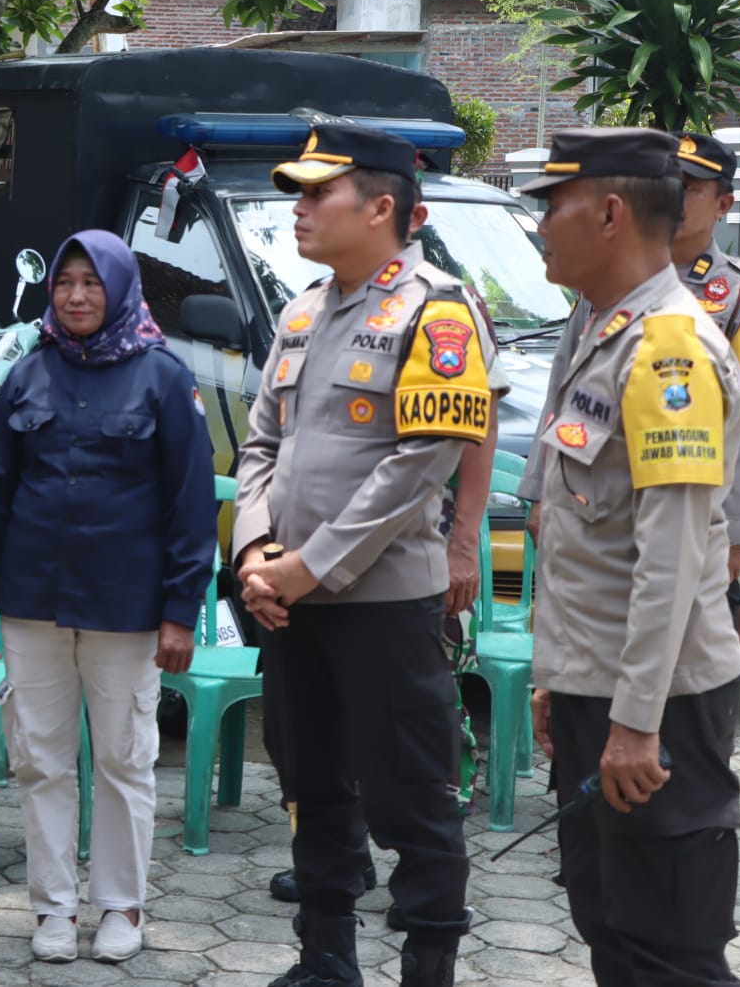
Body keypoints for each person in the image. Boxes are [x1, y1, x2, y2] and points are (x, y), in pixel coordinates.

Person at [235, 123, 505, 987]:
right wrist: (257, 553)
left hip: (384, 604)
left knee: (414, 801)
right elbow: (258, 447)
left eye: (319, 193)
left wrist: (308, 566)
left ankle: (427, 968)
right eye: (300, 194)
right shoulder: (302, 309)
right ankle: (325, 963)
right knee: (312, 785)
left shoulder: (439, 308)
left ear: (381, 205)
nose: (300, 208)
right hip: (289, 600)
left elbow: (417, 464)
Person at [516, 127, 740, 986]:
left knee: (666, 947)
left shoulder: (668, 347)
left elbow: (675, 557)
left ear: (610, 213)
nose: (540, 226)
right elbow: (586, 536)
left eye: (553, 205)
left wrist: (635, 720)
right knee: (610, 919)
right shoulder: (601, 331)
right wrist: (560, 676)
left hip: (655, 703)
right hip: (603, 687)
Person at [0, 229, 216, 965]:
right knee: (39, 758)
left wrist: (180, 611)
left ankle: (121, 906)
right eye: (64, 283)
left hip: (126, 606)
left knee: (124, 759)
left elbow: (190, 505)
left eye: (90, 283)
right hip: (31, 599)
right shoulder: (29, 374)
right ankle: (53, 909)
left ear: (120, 289)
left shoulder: (163, 377)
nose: (74, 296)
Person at [670, 133, 740, 603]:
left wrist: (737, 534)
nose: (672, 197)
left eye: (689, 187)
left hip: (698, 518)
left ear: (723, 205)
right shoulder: (610, 275)